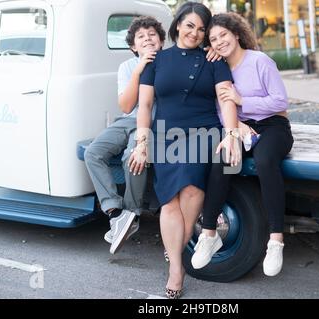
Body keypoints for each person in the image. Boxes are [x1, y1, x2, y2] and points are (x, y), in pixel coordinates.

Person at [129, 2, 241, 299]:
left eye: (201, 28)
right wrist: (142, 144)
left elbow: (227, 98)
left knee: (191, 188)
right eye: (190, 25)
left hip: (203, 130)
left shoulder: (214, 59)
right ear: (178, 24)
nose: (195, 33)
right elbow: (145, 106)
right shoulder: (156, 60)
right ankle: (176, 267)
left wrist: (230, 134)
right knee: (169, 202)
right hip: (166, 133)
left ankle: (173, 247)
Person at [191, 12, 294, 277]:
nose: (220, 41)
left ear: (236, 33)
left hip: (273, 126)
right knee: (222, 159)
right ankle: (209, 233)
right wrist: (234, 127)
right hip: (241, 128)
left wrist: (241, 100)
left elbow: (280, 101)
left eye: (223, 35)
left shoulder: (259, 61)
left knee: (264, 161)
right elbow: (218, 109)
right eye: (213, 39)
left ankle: (275, 240)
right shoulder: (219, 69)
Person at [84, 16, 165, 255]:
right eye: (141, 37)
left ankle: (132, 213)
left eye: (152, 34)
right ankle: (116, 212)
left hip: (154, 124)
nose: (147, 39)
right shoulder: (127, 67)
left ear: (161, 40)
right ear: (133, 47)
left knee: (132, 155)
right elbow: (127, 105)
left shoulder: (169, 62)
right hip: (129, 120)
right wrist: (139, 69)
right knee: (93, 153)